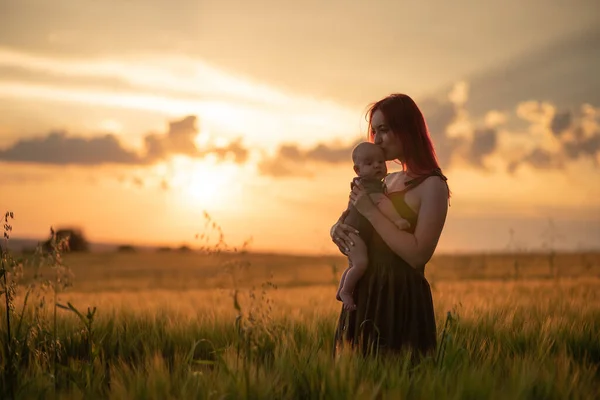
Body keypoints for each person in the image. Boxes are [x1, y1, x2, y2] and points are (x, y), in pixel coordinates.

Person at [330, 93, 450, 359]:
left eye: (384, 129)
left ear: (407, 128)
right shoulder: (385, 181)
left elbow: (418, 254)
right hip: (364, 294)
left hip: (399, 300)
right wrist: (337, 230)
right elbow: (355, 216)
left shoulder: (433, 186)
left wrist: (371, 212)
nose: (378, 139)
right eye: (374, 131)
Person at [336, 142, 410, 311]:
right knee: (360, 263)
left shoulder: (366, 183)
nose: (377, 165)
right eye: (369, 163)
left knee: (353, 264)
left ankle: (342, 289)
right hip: (356, 233)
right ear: (358, 170)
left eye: (380, 162)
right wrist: (397, 220)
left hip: (356, 231)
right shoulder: (370, 186)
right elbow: (382, 203)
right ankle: (346, 291)